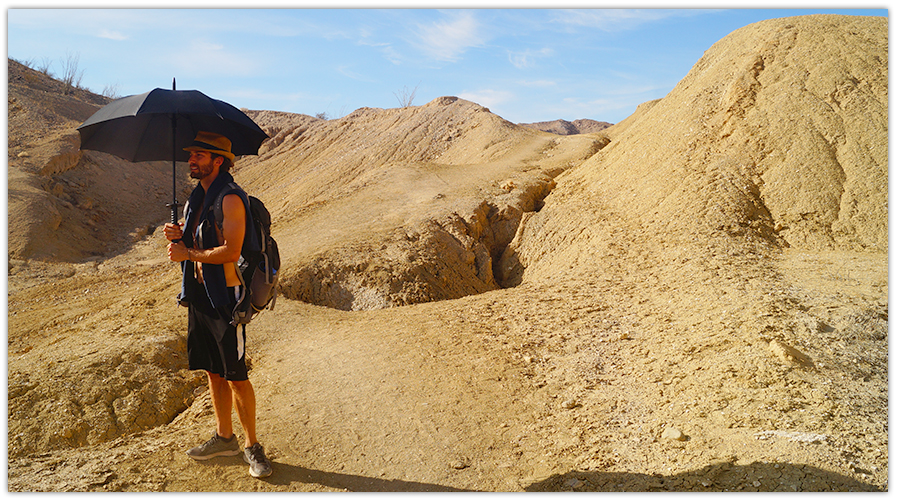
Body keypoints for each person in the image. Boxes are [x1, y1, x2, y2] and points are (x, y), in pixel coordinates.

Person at [164, 131, 273, 479]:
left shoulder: (229, 199)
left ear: (219, 161)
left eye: (200, 155)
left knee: (236, 377)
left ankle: (252, 446)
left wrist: (187, 253)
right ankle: (225, 437)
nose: (192, 160)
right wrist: (178, 236)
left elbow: (232, 251)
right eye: (191, 153)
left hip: (226, 301)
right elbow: (198, 241)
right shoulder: (197, 198)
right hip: (200, 297)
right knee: (213, 369)